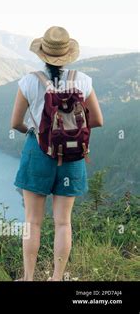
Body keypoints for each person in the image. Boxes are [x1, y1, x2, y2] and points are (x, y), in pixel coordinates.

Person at [10, 26, 104, 281]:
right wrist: (71, 130)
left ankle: (29, 278)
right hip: (72, 156)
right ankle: (56, 278)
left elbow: (15, 122)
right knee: (63, 222)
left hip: (38, 152)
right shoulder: (83, 80)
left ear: (43, 54)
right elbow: (97, 120)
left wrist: (35, 131)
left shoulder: (30, 81)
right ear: (68, 54)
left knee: (32, 221)